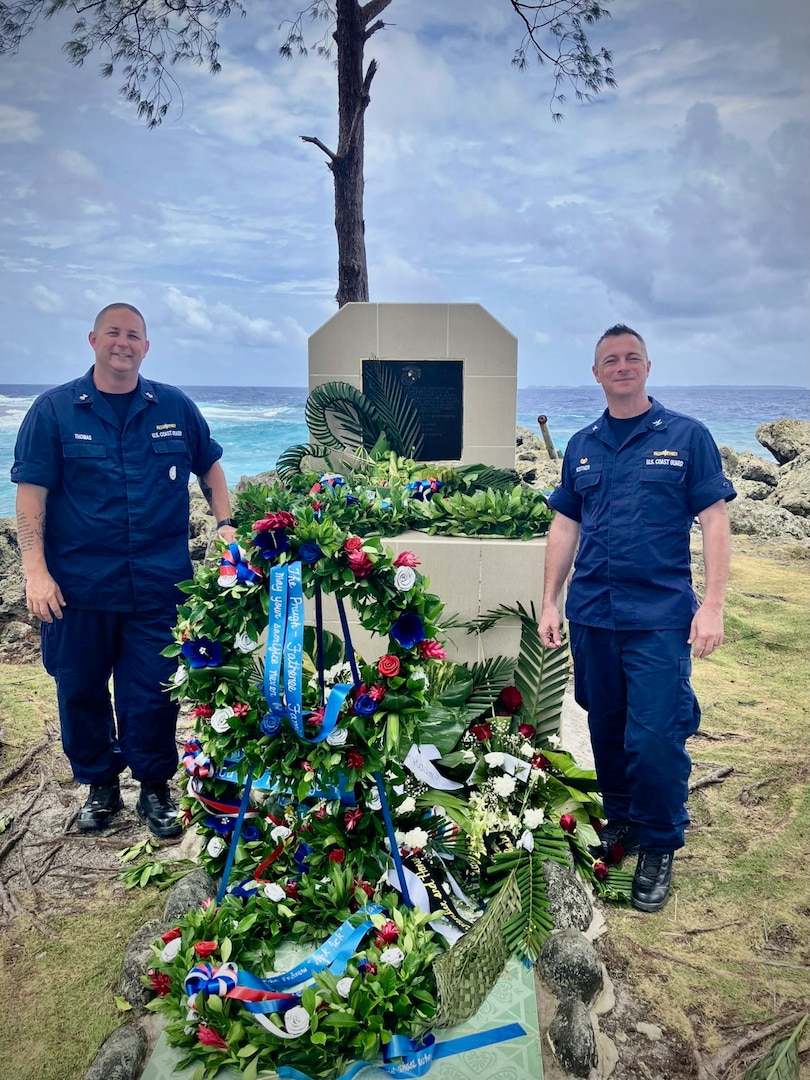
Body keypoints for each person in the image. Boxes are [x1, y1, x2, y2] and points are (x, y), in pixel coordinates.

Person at [12, 303, 237, 838]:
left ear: (146, 346)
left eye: (133, 335)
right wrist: (34, 573)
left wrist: (226, 525)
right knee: (80, 690)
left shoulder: (175, 407)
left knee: (153, 692)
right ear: (93, 339)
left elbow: (211, 468)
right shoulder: (55, 410)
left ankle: (155, 788)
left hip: (159, 586)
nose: (123, 342)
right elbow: (29, 498)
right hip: (77, 589)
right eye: (113, 332)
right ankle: (100, 787)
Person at [539, 324, 736, 912]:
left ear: (647, 367)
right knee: (606, 725)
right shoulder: (582, 444)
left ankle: (658, 841)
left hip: (658, 616)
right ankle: (621, 820)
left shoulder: (687, 436)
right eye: (609, 360)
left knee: (655, 736)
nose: (621, 366)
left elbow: (715, 521)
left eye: (631, 358)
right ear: (596, 374)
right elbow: (565, 524)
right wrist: (551, 599)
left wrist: (714, 604)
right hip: (595, 613)